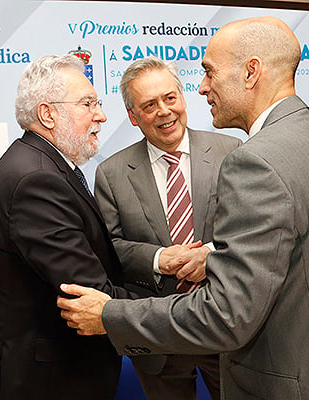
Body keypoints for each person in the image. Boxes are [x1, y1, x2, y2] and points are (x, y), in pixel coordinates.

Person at [58, 16, 309, 399]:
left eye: (209, 73)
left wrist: (108, 315)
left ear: (251, 73)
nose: (202, 88)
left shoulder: (254, 161)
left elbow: (227, 315)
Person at [0, 54, 133, 400]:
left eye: (98, 103)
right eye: (87, 103)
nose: (101, 115)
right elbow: (87, 292)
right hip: (48, 381)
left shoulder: (41, 165)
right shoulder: (36, 178)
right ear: (48, 114)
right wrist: (172, 306)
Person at [94, 56, 241, 399]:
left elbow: (249, 232)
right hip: (157, 335)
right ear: (133, 116)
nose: (164, 111)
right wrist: (161, 259)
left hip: (223, 322)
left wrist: (207, 254)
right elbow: (108, 248)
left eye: (170, 98)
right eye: (149, 105)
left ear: (183, 97)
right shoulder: (112, 174)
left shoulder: (230, 152)